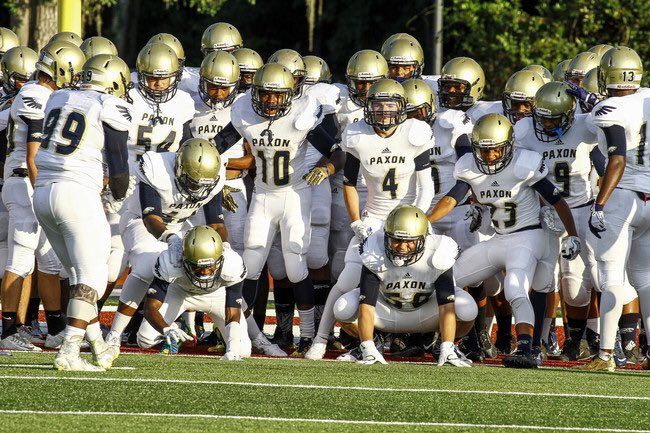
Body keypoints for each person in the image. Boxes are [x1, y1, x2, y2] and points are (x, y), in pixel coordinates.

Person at [427, 113, 581, 368]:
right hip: (499, 239)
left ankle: (526, 347)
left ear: (508, 146)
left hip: (528, 236)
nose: (489, 156)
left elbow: (557, 200)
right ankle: (457, 339)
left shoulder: (524, 164)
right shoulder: (469, 166)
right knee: (447, 279)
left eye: (495, 150)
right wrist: (425, 220)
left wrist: (572, 234)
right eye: (484, 150)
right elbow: (453, 198)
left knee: (514, 288)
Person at [305, 78, 434, 360]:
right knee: (347, 281)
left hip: (411, 220)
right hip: (374, 219)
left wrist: (417, 221)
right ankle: (321, 338)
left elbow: (427, 188)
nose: (384, 111)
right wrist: (356, 222)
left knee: (426, 279)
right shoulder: (358, 135)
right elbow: (349, 184)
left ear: (402, 107)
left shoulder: (415, 132)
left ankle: (434, 341)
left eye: (390, 105)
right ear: (368, 106)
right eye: (378, 105)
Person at [32, 54, 133, 371]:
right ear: (115, 82)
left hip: (43, 192)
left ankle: (99, 346)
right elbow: (118, 167)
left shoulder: (58, 96)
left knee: (79, 276)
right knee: (93, 277)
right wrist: (118, 195)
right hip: (76, 193)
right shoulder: (110, 105)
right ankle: (70, 350)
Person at [0, 40, 84, 352]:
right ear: (61, 70)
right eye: (74, 73)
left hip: (35, 180)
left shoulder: (47, 94)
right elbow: (33, 154)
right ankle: (8, 330)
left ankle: (57, 329)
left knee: (49, 260)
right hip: (26, 181)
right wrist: (42, 191)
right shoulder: (34, 94)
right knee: (20, 258)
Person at [334, 204, 477, 366]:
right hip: (388, 311)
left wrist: (447, 345)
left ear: (423, 239)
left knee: (467, 309)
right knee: (343, 308)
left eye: (409, 241)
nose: (402, 247)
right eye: (396, 240)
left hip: (426, 311)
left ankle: (444, 347)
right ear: (386, 237)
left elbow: (446, 305)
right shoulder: (374, 251)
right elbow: (366, 305)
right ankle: (370, 345)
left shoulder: (438, 252)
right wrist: (367, 345)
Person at [137, 226, 251, 360]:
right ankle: (179, 326)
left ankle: (220, 333)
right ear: (184, 258)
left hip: (217, 295)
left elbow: (233, 312)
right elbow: (150, 308)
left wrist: (232, 350)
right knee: (145, 339)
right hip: (180, 292)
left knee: (242, 351)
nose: (205, 273)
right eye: (198, 266)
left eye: (210, 266)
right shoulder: (170, 261)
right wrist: (166, 329)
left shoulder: (232, 263)